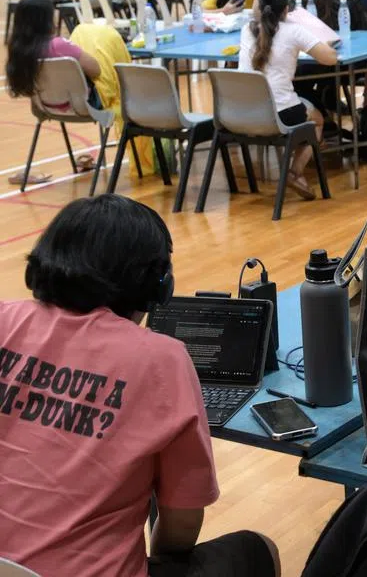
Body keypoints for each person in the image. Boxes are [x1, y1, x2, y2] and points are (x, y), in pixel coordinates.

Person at [0, 194, 281, 577]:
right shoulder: (163, 359)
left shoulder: (4, 319)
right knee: (256, 550)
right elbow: (181, 526)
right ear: (159, 286)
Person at [3, 0, 163, 180]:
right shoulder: (59, 46)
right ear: (45, 20)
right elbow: (95, 69)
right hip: (85, 106)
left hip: (46, 107)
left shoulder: (19, 51)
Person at [238, 0, 338, 200]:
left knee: (299, 107)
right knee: (318, 120)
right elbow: (330, 58)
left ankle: (292, 171)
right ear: (286, 9)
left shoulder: (247, 29)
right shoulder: (294, 30)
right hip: (280, 115)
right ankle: (295, 172)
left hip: (243, 114)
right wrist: (320, 41)